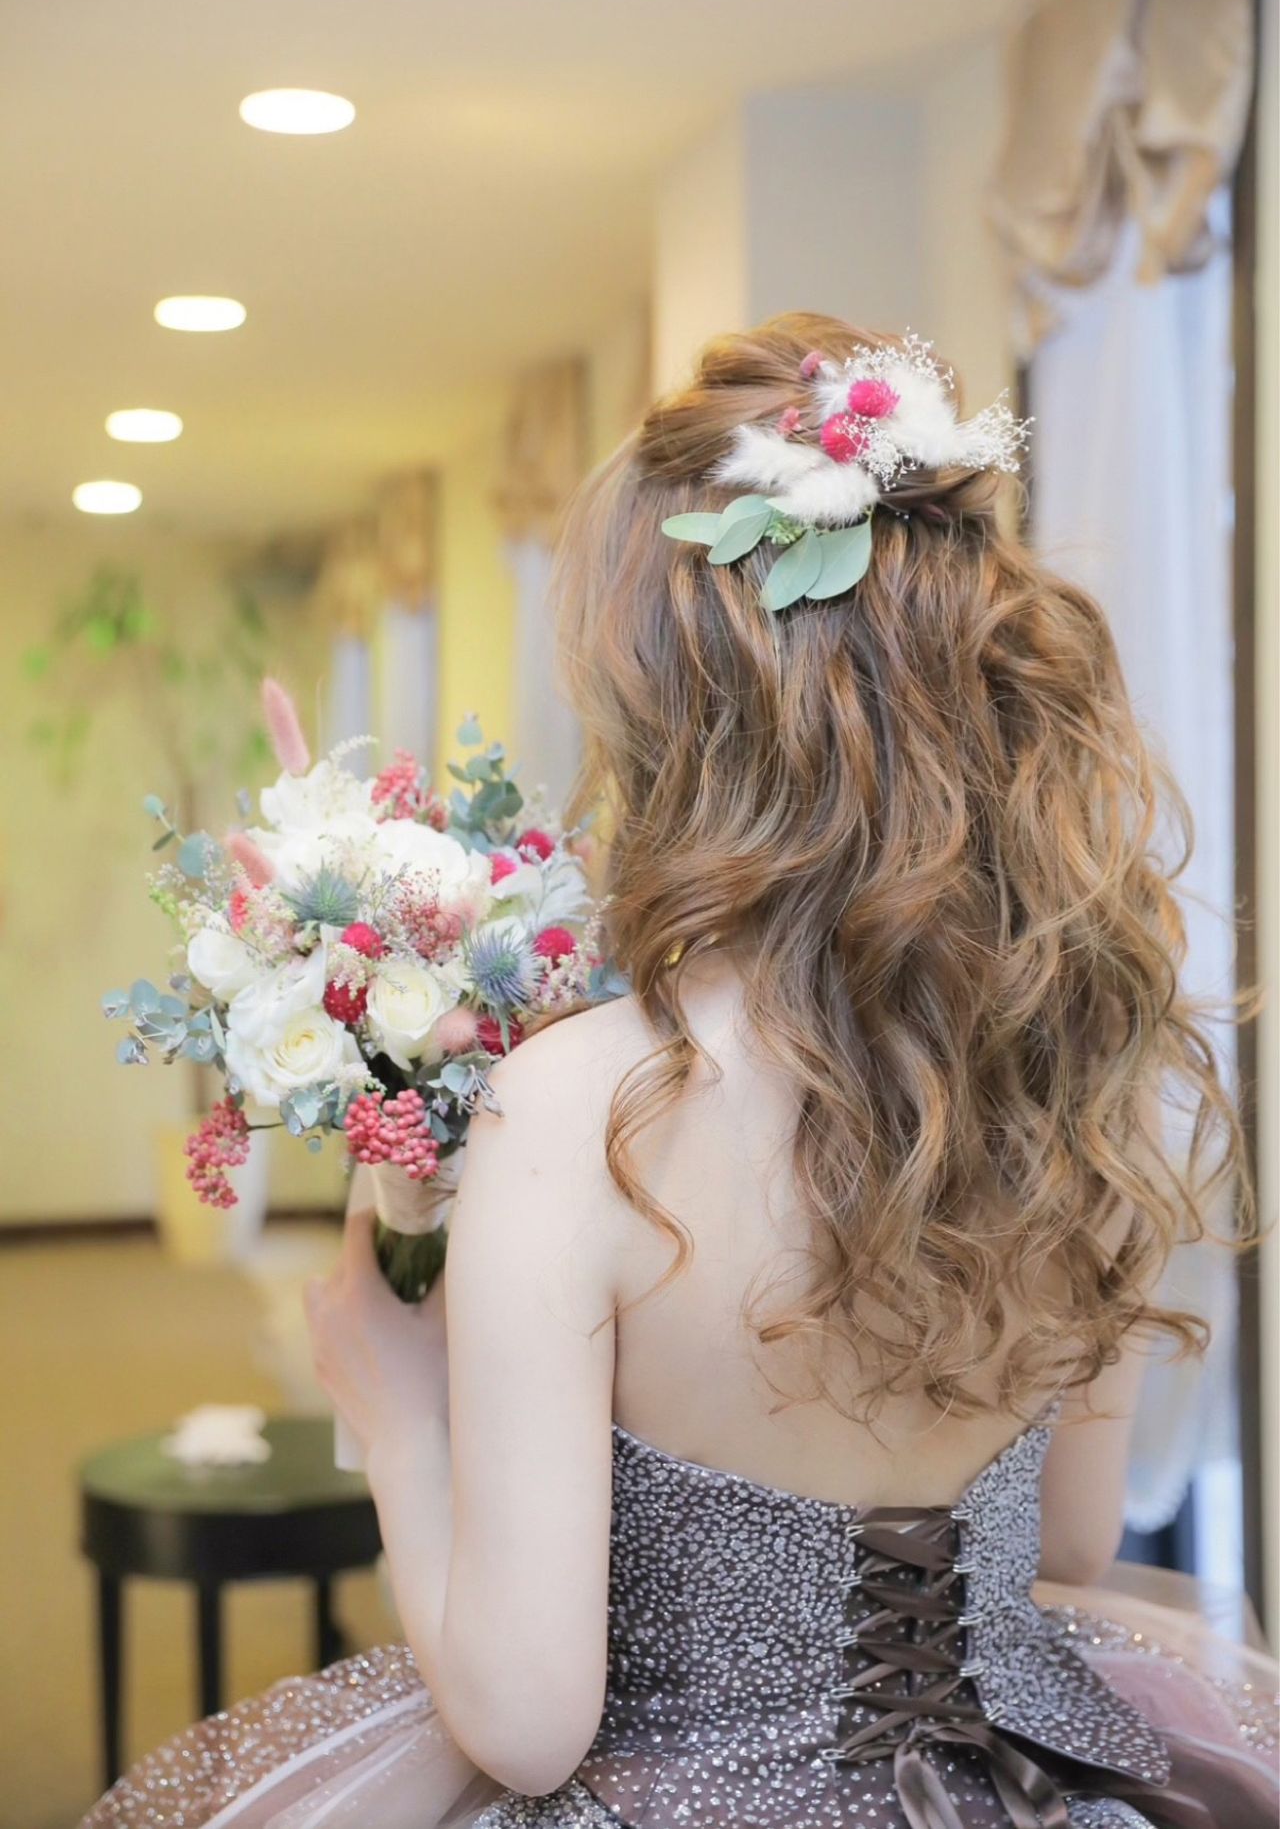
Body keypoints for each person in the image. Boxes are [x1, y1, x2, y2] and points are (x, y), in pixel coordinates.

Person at [82, 317, 1277, 1829]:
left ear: (667, 712)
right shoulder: (1067, 1061)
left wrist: (397, 1415)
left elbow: (529, 1721)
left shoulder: (578, 1107)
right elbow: (1072, 1544)